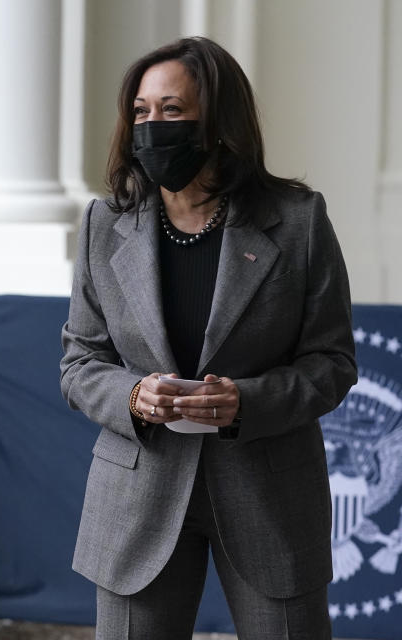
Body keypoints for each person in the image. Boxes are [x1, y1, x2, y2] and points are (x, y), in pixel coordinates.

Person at [60, 37, 356, 639]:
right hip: (137, 494)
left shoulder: (298, 221)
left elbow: (331, 362)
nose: (151, 126)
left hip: (268, 492)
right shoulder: (104, 223)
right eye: (141, 112)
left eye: (172, 110)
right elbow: (79, 361)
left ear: (220, 119)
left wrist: (246, 401)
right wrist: (133, 396)